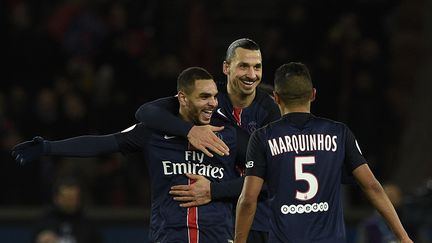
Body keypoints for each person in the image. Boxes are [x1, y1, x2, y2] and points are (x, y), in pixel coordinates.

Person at [12, 67, 246, 242]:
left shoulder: (230, 134)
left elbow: (265, 180)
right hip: (168, 235)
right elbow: (102, 144)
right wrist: (48, 147)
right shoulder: (153, 132)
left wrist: (215, 190)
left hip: (218, 235)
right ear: (183, 98)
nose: (213, 103)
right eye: (204, 97)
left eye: (215, 96)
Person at [234, 62, 413, 243]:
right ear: (313, 95)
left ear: (277, 97)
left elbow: (249, 199)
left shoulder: (263, 137)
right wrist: (404, 238)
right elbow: (372, 187)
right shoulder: (339, 133)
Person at [135, 38, 281, 242]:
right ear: (226, 67)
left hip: (257, 220)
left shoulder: (269, 110)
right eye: (244, 66)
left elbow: (273, 177)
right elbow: (146, 112)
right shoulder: (208, 96)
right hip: (214, 219)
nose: (251, 74)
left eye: (257, 67)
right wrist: (191, 131)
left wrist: (214, 190)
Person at [32, 176, 103, 243]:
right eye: (65, 198)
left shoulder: (88, 225)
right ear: (56, 198)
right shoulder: (44, 222)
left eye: (72, 198)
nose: (69, 202)